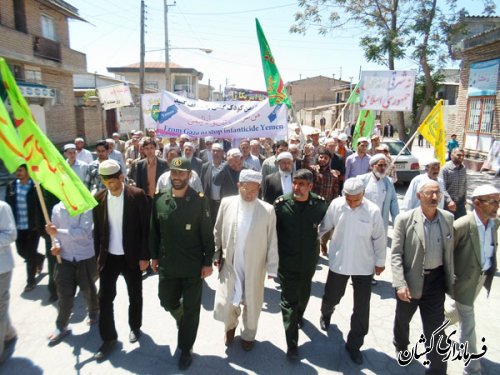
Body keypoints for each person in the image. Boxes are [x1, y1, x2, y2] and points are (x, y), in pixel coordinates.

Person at [150, 157, 214, 370]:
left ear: (189, 175)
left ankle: (186, 348)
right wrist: (154, 256)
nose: (177, 177)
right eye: (173, 173)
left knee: (192, 308)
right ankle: (180, 316)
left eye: (181, 173)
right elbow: (154, 232)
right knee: (166, 299)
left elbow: (207, 234)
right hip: (168, 263)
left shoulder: (199, 200)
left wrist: (207, 262)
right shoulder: (159, 199)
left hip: (193, 265)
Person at [319, 178, 386, 365]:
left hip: (363, 265)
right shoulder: (337, 205)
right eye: (348, 199)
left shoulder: (372, 211)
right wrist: (313, 240)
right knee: (332, 296)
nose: (352, 203)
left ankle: (354, 345)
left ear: (363, 195)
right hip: (339, 261)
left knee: (362, 308)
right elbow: (325, 226)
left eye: (356, 200)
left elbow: (379, 238)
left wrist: (380, 262)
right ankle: (326, 312)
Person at [392, 180, 454, 375]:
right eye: (430, 193)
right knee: (403, 319)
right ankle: (401, 345)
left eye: (438, 193)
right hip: (411, 281)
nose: (435, 197)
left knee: (436, 327)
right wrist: (400, 284)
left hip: (436, 281)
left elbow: (453, 251)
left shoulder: (448, 218)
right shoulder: (404, 219)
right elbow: (395, 254)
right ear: (419, 196)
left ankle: (437, 369)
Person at [213, 169, 278, 352]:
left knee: (252, 300)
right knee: (227, 301)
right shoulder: (227, 204)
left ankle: (249, 334)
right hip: (231, 262)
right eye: (245, 190)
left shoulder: (267, 209)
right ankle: (230, 327)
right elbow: (217, 230)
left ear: (258, 188)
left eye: (253, 191)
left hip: (254, 265)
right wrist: (216, 253)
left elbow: (272, 239)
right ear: (238, 186)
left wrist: (272, 267)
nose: (249, 195)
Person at [92, 159, 150, 361]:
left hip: (132, 256)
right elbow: (98, 232)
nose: (109, 184)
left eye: (112, 180)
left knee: (135, 294)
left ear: (121, 177)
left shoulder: (137, 195)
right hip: (109, 258)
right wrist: (98, 257)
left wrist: (145, 256)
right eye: (105, 180)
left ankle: (135, 326)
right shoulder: (98, 199)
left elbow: (146, 228)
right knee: (105, 298)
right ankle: (108, 338)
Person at [274, 169, 328, 359]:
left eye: (301, 184)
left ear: (310, 186)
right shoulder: (281, 205)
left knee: (304, 294)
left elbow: (328, 225)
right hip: (287, 261)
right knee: (288, 301)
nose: (296, 187)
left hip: (308, 261)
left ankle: (299, 314)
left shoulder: (320, 205)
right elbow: (272, 234)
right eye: (295, 183)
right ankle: (292, 344)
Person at [446, 185, 499, 375]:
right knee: (468, 325)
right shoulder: (462, 225)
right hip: (463, 283)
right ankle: (472, 369)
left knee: (454, 313)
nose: (497, 206)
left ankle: (435, 326)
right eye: (492, 201)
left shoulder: (494, 222)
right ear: (477, 203)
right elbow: (446, 253)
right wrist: (451, 278)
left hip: (480, 278)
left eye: (498, 201)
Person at [45, 203, 99, 344]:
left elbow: (83, 232)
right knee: (64, 293)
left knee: (87, 287)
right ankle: (61, 325)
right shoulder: (56, 208)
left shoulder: (85, 207)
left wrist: (57, 232)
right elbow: (54, 236)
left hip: (84, 256)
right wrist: (55, 245)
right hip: (65, 258)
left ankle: (93, 311)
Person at [5, 165, 45, 292]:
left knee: (29, 253)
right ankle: (39, 258)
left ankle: (30, 281)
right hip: (18, 226)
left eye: (20, 170)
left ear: (27, 172)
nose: (18, 173)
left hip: (32, 227)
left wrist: (41, 223)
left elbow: (41, 206)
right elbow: (8, 206)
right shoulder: (11, 186)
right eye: (16, 170)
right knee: (21, 252)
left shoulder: (35, 186)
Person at [357, 154, 399, 232]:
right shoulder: (362, 180)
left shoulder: (388, 182)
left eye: (385, 165)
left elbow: (394, 204)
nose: (383, 168)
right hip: (363, 221)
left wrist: (397, 223)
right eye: (380, 165)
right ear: (372, 166)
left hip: (381, 223)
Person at [0, 201, 17, 363]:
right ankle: (8, 333)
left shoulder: (3, 207)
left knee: (0, 306)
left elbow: (11, 234)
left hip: (2, 268)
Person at [200, 143, 225, 222]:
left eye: (218, 151)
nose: (215, 153)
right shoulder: (205, 166)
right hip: (210, 203)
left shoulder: (226, 167)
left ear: (222, 153)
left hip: (223, 203)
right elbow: (201, 185)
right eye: (213, 151)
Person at [441, 148, 467, 219]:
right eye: (458, 155)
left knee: (462, 224)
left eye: (463, 155)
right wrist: (449, 201)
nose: (461, 157)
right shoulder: (445, 169)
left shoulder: (463, 168)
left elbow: (464, 184)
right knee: (448, 225)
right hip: (448, 203)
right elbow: (442, 187)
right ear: (452, 156)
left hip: (460, 203)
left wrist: (464, 198)